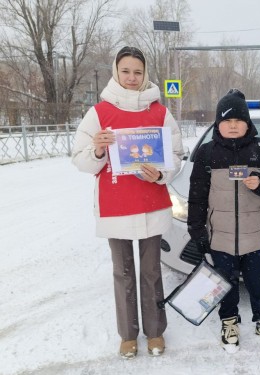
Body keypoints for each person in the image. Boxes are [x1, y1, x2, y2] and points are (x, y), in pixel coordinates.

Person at [72, 46, 184, 359]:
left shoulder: (159, 112)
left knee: (151, 272)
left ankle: (156, 331)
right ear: (116, 72)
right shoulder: (99, 112)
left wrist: (160, 174)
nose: (132, 77)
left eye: (137, 72)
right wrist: (97, 150)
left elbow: (176, 155)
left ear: (145, 73)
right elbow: (79, 159)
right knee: (123, 273)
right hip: (116, 205)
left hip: (151, 203)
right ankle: (127, 335)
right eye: (126, 71)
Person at [187, 89, 260, 353]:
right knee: (226, 283)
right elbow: (196, 196)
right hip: (220, 236)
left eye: (238, 120)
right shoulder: (207, 153)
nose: (233, 126)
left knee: (258, 282)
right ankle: (229, 321)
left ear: (248, 123)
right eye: (227, 120)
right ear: (217, 124)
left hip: (255, 236)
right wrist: (196, 229)